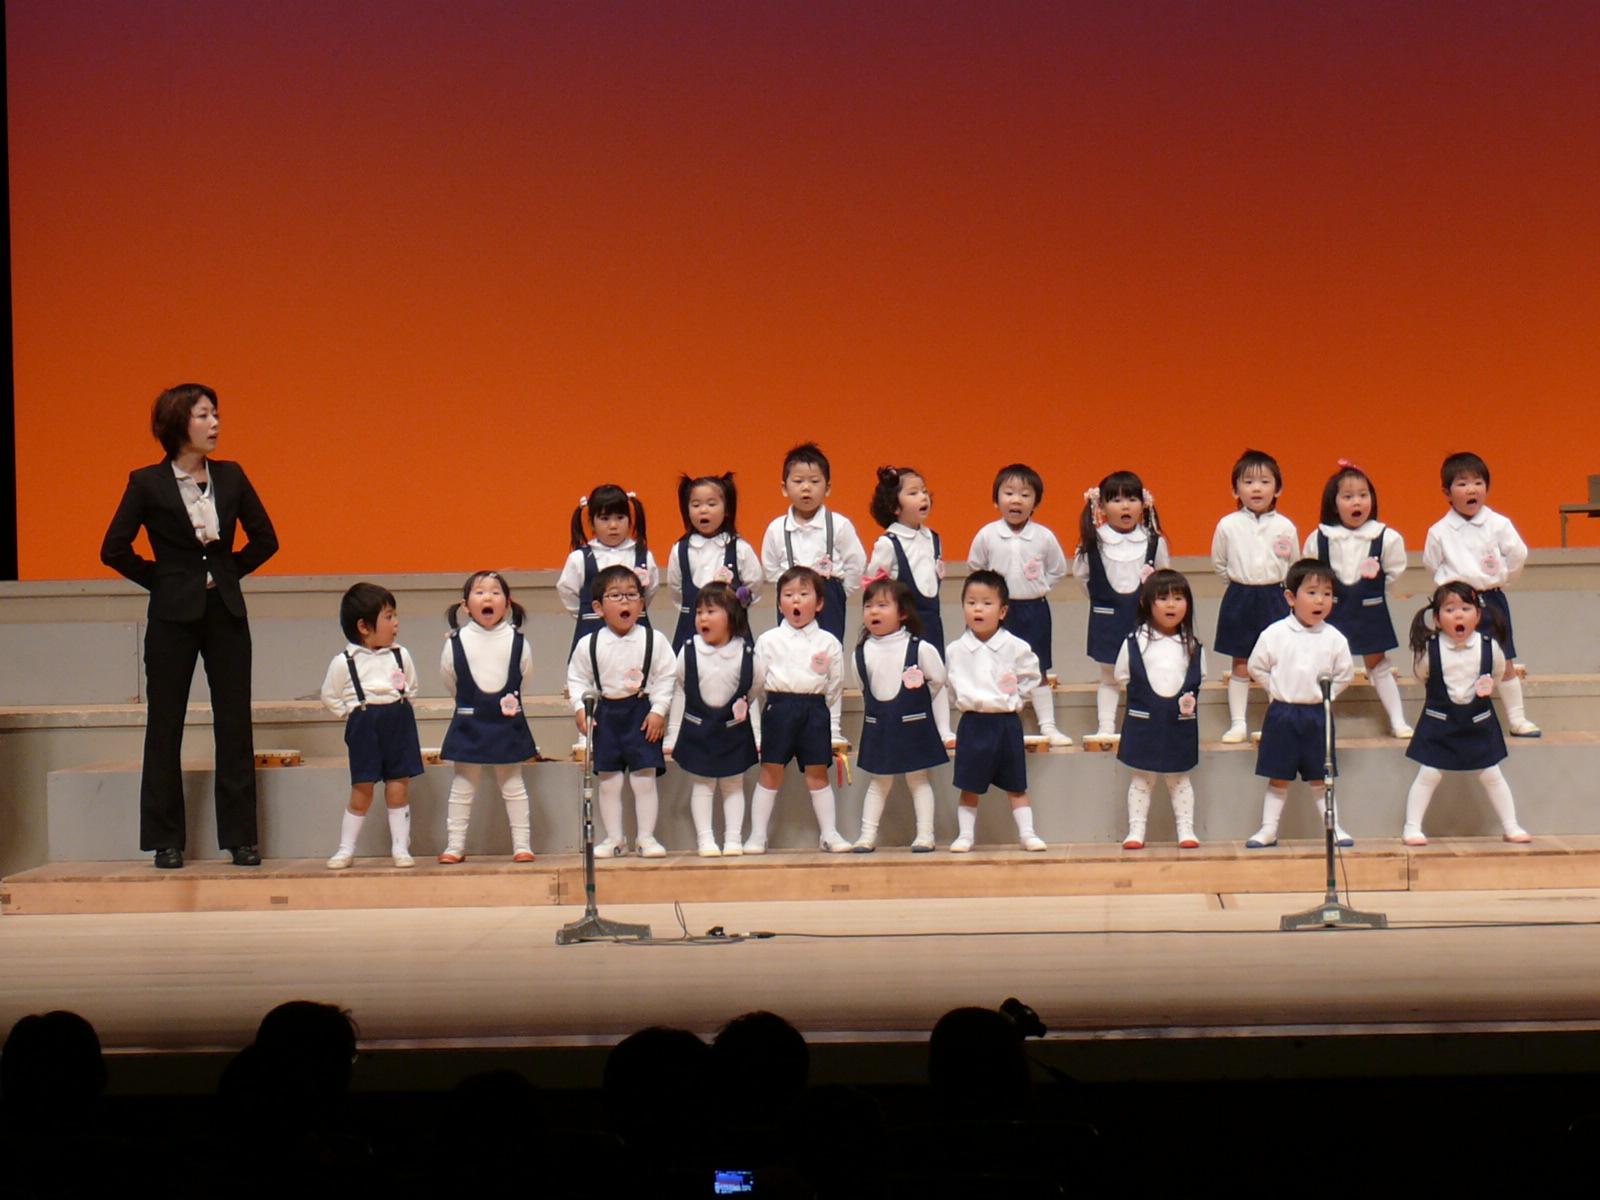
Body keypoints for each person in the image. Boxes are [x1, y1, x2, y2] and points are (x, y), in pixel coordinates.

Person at [100, 383, 278, 869]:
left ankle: (241, 838)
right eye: (204, 415)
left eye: (215, 413)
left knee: (234, 723)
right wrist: (163, 580)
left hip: (225, 613)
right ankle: (165, 840)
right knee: (165, 724)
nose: (215, 423)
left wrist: (225, 574)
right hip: (172, 617)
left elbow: (266, 539)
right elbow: (113, 548)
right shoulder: (146, 482)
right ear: (180, 423)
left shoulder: (231, 475)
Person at [1401, 583, 1531, 845]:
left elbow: (1496, 674)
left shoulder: (1490, 646)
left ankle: (1511, 826)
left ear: (1478, 615)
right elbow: (1421, 675)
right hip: (1439, 720)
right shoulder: (1429, 649)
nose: (1458, 615)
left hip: (1478, 720)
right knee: (1429, 774)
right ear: (1437, 619)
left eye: (1465, 608)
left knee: (1492, 774)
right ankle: (1411, 827)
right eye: (1450, 610)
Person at [1422, 450, 1540, 736]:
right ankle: (1452, 720)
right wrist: (1451, 594)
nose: (1471, 489)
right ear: (1447, 492)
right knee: (1456, 659)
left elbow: (1518, 555)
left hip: (1492, 599)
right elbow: (1431, 564)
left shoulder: (1498, 524)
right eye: (1462, 483)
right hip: (1456, 602)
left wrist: (1501, 580)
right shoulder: (1439, 531)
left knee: (1504, 657)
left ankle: (1517, 719)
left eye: (1478, 482)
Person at [567, 564, 678, 856]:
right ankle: (615, 839)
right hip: (606, 716)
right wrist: (581, 708)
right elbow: (577, 679)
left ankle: (646, 838)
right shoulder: (589, 644)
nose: (624, 601)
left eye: (631, 595)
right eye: (615, 596)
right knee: (610, 781)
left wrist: (659, 710)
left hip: (641, 714)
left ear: (642, 603)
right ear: (598, 607)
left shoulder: (654, 640)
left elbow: (667, 676)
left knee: (643, 779)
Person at [1245, 559, 1355, 848]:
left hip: (1318, 715)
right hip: (1282, 714)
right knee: (1278, 776)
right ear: (1291, 597)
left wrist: (1327, 696)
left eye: (1327, 594)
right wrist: (1276, 690)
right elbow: (1256, 667)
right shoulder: (1274, 633)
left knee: (1321, 777)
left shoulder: (1335, 638)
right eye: (1312, 592)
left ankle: (1333, 827)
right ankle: (1268, 830)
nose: (1320, 600)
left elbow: (1345, 674)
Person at [967, 462, 1073, 747]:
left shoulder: (1044, 536)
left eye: (1025, 495)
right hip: (998, 613)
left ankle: (1047, 726)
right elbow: (976, 566)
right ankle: (999, 723)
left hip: (1034, 610)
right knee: (996, 665)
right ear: (996, 499)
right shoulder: (987, 534)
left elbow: (1058, 569)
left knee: (1037, 666)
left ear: (1035, 503)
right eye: (1009, 493)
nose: (1016, 500)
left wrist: (1039, 587)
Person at [1305, 461, 1412, 738]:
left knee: (1378, 664)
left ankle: (1398, 720)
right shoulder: (1320, 538)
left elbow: (1394, 572)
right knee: (1324, 665)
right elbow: (1308, 574)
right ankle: (1316, 720)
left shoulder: (1386, 537)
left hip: (1370, 611)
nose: (1357, 502)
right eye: (1348, 496)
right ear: (1334, 503)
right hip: (1331, 612)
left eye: (1363, 495)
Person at [319, 582, 423, 868]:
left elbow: (412, 687)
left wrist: (399, 705)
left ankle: (401, 847)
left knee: (398, 786)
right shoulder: (343, 662)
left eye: (395, 615)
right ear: (364, 627)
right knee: (362, 789)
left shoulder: (401, 655)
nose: (396, 623)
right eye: (388, 617)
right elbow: (330, 695)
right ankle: (346, 848)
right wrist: (352, 715)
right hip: (364, 725)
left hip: (398, 722)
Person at [438, 571, 537, 863]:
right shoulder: (455, 642)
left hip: (506, 722)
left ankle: (522, 845)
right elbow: (450, 680)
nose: (488, 597)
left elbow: (524, 678)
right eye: (480, 592)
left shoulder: (519, 642)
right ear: (465, 605)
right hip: (469, 721)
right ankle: (455, 846)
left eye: (495, 592)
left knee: (513, 785)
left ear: (507, 603)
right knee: (463, 786)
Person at [748, 566, 849, 853]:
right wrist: (762, 723)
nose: (796, 600)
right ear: (779, 602)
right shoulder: (768, 640)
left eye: (804, 594)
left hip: (814, 710)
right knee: (771, 772)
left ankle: (829, 834)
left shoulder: (828, 642)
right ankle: (757, 835)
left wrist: (828, 720)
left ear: (819, 603)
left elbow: (835, 686)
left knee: (817, 774)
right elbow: (756, 686)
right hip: (778, 708)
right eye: (788, 594)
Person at [945, 570, 1046, 852]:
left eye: (986, 603)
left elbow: (1032, 676)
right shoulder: (955, 650)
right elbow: (950, 686)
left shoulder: (1016, 646)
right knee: (969, 785)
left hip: (1006, 723)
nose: (978, 609)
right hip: (973, 723)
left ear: (1002, 611)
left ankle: (1027, 833)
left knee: (1016, 784)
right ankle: (965, 836)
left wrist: (1015, 696)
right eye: (971, 602)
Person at [850, 576, 948, 851]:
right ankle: (867, 836)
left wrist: (917, 705)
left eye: (882, 605)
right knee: (878, 782)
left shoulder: (920, 648)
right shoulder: (860, 652)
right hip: (879, 725)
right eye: (868, 605)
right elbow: (863, 687)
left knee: (918, 780)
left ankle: (925, 835)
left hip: (913, 725)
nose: (874, 611)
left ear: (903, 613)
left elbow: (938, 681)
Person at [1073, 470, 1170, 743]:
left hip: (1143, 618)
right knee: (1109, 675)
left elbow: (1163, 577)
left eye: (1131, 499)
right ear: (1101, 506)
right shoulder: (1093, 542)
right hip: (1107, 619)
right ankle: (1106, 727)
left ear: (1143, 504)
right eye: (1115, 500)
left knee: (1144, 672)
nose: (1125, 506)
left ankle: (1145, 725)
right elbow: (1083, 578)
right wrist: (1104, 600)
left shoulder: (1153, 540)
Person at [664, 582, 759, 856]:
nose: (703, 618)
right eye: (699, 612)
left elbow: (754, 688)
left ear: (732, 616)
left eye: (711, 611)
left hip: (733, 729)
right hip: (699, 728)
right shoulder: (689, 650)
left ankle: (733, 839)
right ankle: (705, 840)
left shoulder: (747, 653)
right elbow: (681, 683)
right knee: (702, 784)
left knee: (733, 784)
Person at [1114, 570, 1205, 849]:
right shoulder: (1135, 641)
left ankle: (1186, 830)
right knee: (1142, 779)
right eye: (1163, 598)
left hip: (1179, 721)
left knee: (1179, 779)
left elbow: (1199, 677)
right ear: (1146, 603)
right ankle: (1136, 831)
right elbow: (1122, 676)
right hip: (1144, 720)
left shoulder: (1192, 645)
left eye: (1178, 598)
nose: (1171, 605)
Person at [1212, 448, 1297, 745]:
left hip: (1275, 596)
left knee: (1277, 661)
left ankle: (1278, 718)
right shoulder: (1227, 525)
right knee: (1241, 661)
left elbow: (1294, 565)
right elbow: (1219, 563)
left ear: (1278, 489)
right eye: (1248, 482)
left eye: (1264, 481)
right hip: (1240, 596)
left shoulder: (1285, 526)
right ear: (1235, 490)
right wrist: (1240, 586)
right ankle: (1238, 723)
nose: (1256, 488)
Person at [866, 464, 955, 745]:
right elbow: (874, 585)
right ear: (894, 506)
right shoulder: (888, 543)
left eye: (924, 492)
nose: (923, 497)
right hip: (905, 623)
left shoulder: (934, 538)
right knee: (907, 675)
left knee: (937, 673)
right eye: (913, 493)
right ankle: (906, 726)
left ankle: (943, 729)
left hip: (932, 617)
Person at [760, 441, 867, 645]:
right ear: (784, 488)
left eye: (814, 481)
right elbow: (771, 568)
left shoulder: (839, 524)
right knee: (789, 650)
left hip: (829, 600)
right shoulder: (776, 528)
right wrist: (788, 592)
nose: (806, 487)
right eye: (798, 481)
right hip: (791, 600)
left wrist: (840, 593)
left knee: (827, 650)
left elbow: (856, 563)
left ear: (828, 488)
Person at [557, 483, 657, 660]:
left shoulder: (643, 556)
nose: (613, 525)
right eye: (604, 518)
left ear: (630, 520)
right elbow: (567, 592)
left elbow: (650, 591)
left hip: (636, 635)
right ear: (592, 523)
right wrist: (588, 612)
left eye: (620, 517)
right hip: (591, 631)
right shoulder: (580, 558)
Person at [667, 472, 763, 652]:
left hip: (733, 633)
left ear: (727, 510)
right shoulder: (680, 550)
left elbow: (754, 586)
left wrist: (737, 602)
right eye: (696, 505)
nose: (703, 510)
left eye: (711, 504)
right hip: (690, 632)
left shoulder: (740, 548)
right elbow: (676, 591)